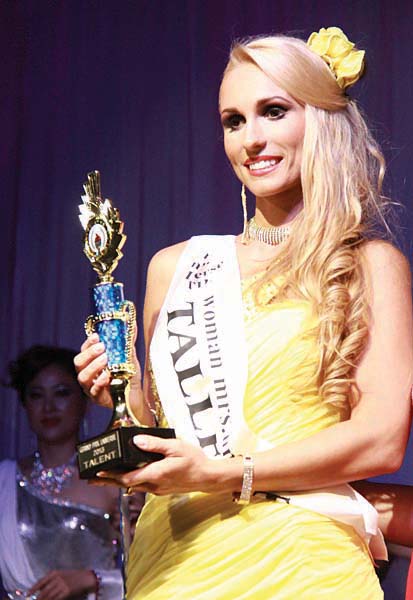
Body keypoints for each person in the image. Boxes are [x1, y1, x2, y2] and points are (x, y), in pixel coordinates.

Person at [75, 27, 413, 599]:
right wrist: (118, 388)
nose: (250, 139)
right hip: (176, 558)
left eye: (273, 111)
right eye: (233, 121)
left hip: (303, 562)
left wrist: (230, 473)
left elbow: (381, 439)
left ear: (322, 121)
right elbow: (158, 427)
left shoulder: (369, 264)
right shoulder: (176, 267)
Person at [0, 345, 126, 599]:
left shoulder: (111, 480)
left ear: (85, 402)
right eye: (36, 395)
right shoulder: (5, 481)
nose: (49, 407)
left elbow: (143, 567)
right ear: (24, 405)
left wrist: (92, 579)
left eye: (61, 393)